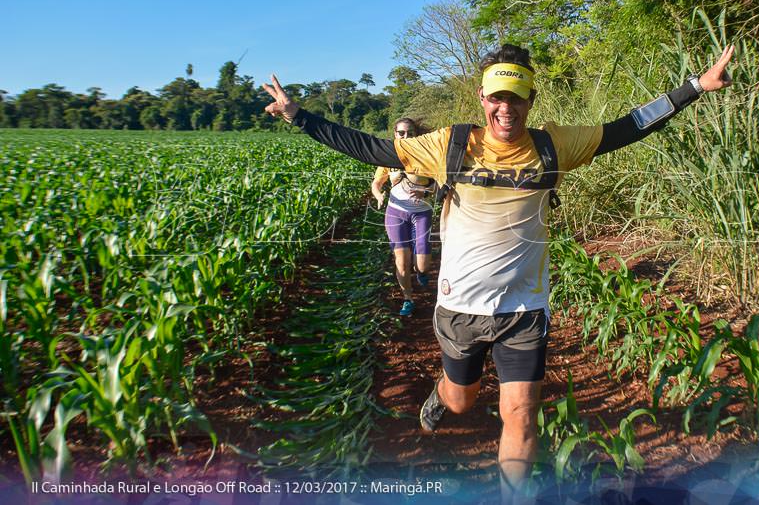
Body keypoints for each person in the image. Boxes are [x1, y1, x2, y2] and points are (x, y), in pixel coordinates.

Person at [262, 42, 734, 503]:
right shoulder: (450, 144)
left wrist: (694, 86)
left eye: (517, 98)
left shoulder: (554, 146)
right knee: (461, 400)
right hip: (459, 308)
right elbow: (371, 148)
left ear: (531, 100)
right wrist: (298, 116)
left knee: (522, 414)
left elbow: (627, 128)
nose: (506, 109)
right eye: (497, 98)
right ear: (483, 99)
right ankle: (442, 391)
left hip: (524, 309)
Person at [370, 117, 435, 316]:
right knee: (401, 262)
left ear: (417, 135)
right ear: (395, 135)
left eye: (410, 133)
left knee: (422, 265)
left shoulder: (427, 156)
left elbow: (441, 183)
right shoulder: (388, 158)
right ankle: (408, 298)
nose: (405, 137)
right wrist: (379, 195)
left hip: (421, 212)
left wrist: (427, 191)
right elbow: (376, 184)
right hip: (395, 213)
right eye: (401, 133)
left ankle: (421, 272)